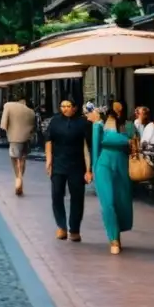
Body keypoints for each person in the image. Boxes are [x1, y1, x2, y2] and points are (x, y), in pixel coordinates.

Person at [45, 99, 92, 242]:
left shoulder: (83, 123)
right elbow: (48, 141)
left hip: (77, 165)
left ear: (75, 108)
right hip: (58, 163)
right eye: (62, 106)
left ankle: (75, 229)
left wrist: (88, 169)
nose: (65, 109)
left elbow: (88, 147)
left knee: (77, 197)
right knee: (57, 195)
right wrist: (49, 160)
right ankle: (61, 226)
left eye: (68, 106)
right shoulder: (55, 121)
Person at [90, 103, 134, 255]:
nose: (118, 110)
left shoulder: (128, 125)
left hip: (122, 165)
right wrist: (93, 169)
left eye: (121, 108)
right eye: (115, 108)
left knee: (121, 201)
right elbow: (95, 148)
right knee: (107, 202)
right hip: (104, 165)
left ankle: (117, 232)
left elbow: (133, 145)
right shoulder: (100, 125)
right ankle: (113, 238)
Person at [1, 92, 36, 197]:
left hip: (14, 138)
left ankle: (18, 179)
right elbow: (33, 127)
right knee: (22, 159)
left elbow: (3, 124)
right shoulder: (31, 112)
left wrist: (6, 131)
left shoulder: (8, 105)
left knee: (14, 158)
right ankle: (20, 178)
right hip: (26, 139)